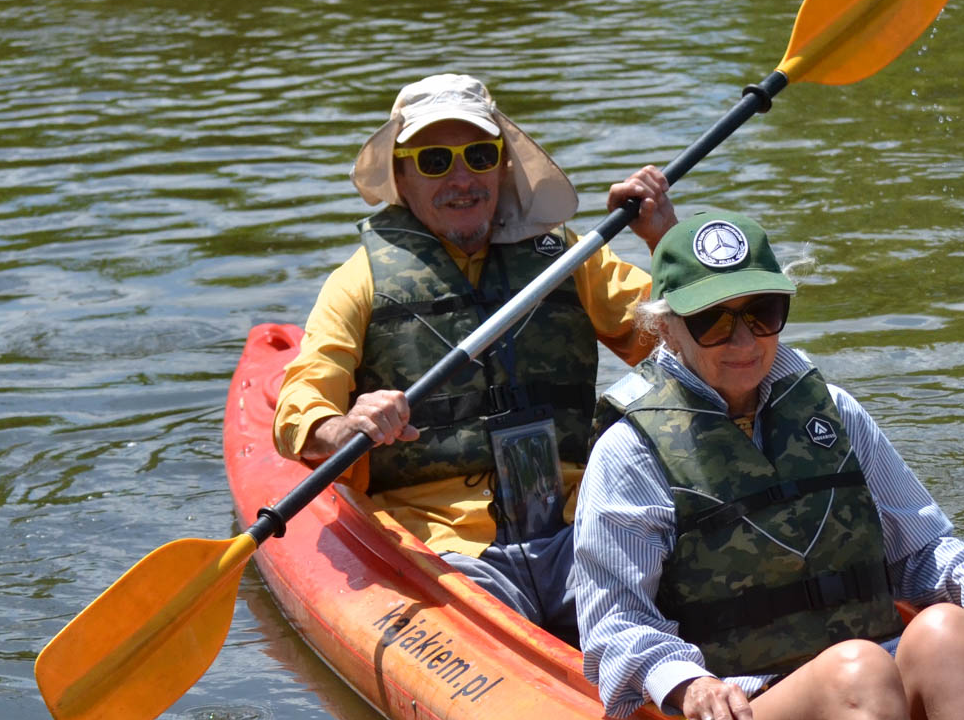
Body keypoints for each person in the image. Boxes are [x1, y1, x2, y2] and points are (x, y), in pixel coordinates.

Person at [572, 210, 964, 720]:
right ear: (665, 326)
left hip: (872, 671)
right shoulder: (629, 451)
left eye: (762, 313)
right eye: (713, 321)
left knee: (950, 632)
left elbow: (921, 549)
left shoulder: (833, 411)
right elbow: (615, 624)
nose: (743, 340)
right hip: (749, 706)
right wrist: (689, 685)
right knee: (853, 669)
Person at [272, 74, 676, 637]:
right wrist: (345, 427)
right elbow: (298, 410)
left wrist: (666, 243)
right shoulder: (358, 281)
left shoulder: (567, 259)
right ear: (402, 175)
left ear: (503, 166)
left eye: (479, 156)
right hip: (443, 547)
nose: (462, 180)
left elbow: (692, 342)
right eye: (435, 160)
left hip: (575, 528)